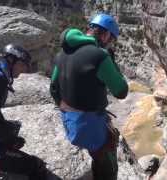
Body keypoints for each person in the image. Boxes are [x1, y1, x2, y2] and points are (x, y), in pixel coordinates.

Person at [50, 13, 128, 180]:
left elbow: (53, 89)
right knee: (108, 155)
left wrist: (69, 107)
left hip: (70, 122)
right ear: (106, 34)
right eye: (111, 40)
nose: (110, 44)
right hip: (90, 127)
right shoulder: (99, 56)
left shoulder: (61, 53)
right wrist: (111, 62)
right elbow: (121, 92)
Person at [0, 44, 47, 180]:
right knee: (34, 165)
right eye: (22, 65)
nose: (24, 69)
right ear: (11, 60)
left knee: (13, 127)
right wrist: (10, 140)